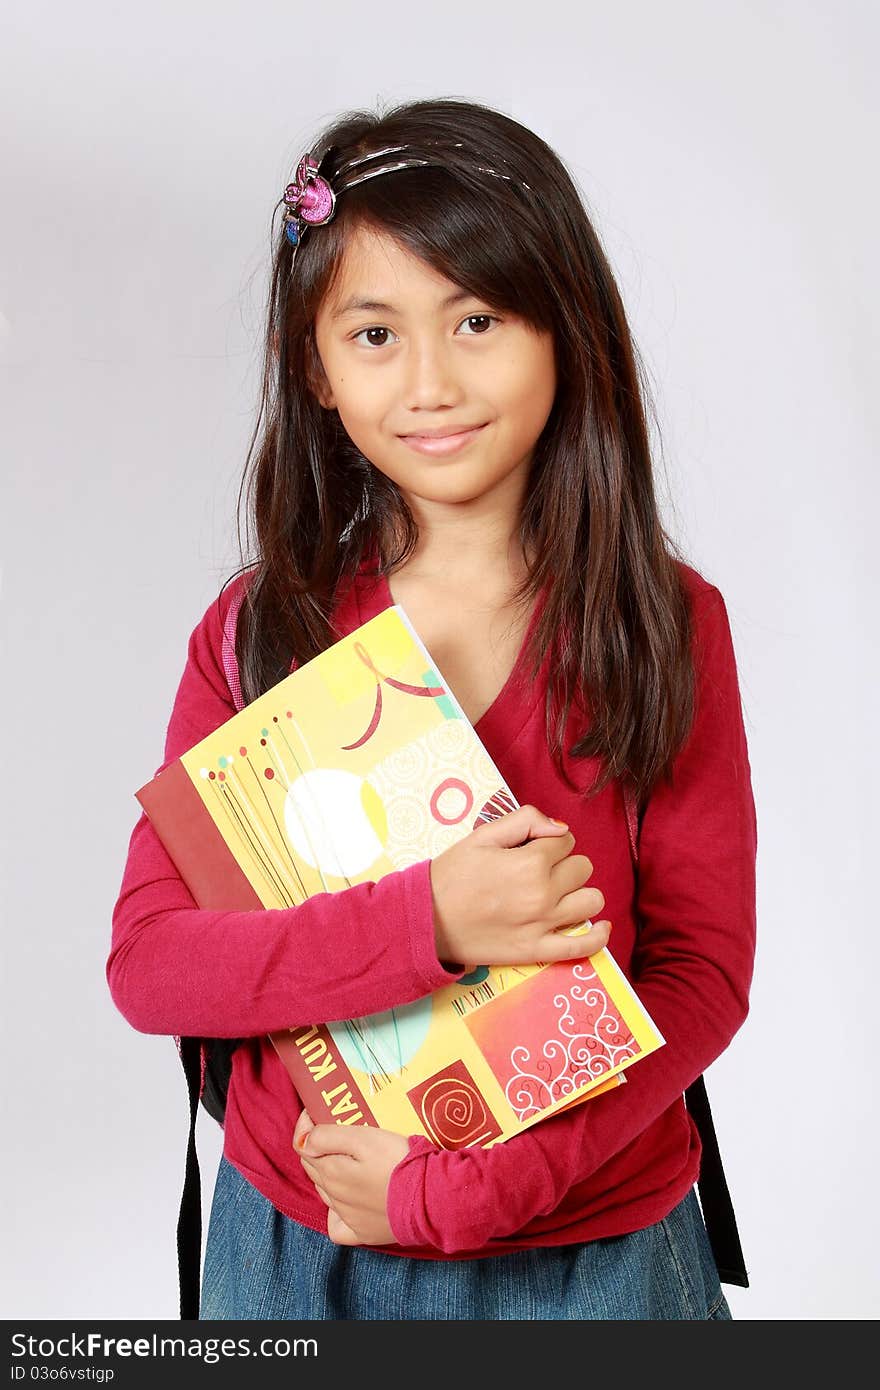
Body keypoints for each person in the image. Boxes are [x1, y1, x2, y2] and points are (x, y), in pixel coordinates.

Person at [108, 97, 757, 1322]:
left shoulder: (663, 621)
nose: (430, 383)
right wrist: (435, 921)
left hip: (592, 1252)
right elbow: (151, 966)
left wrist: (468, 1192)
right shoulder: (260, 634)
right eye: (372, 332)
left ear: (564, 332)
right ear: (313, 362)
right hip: (304, 1246)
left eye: (477, 320)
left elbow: (701, 976)